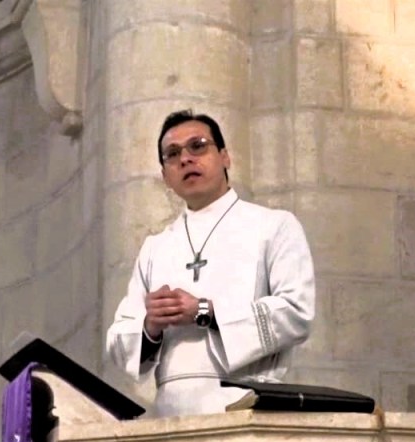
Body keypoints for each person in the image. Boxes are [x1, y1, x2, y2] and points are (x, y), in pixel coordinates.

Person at [105, 110, 316, 417]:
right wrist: (150, 327)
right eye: (172, 154)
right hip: (169, 414)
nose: (186, 159)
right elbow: (119, 340)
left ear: (225, 157)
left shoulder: (274, 226)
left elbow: (297, 311)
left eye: (198, 146)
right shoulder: (155, 248)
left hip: (245, 403)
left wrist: (204, 311)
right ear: (165, 176)